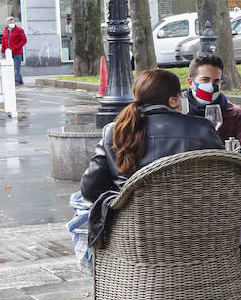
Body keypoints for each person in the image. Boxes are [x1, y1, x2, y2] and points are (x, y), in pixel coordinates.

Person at [78, 69, 224, 244]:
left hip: (133, 235)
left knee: (77, 203)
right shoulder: (202, 128)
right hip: (196, 230)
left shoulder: (115, 131)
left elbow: (90, 189)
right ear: (173, 100)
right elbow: (223, 178)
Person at [181, 53, 241, 143]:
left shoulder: (233, 113)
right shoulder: (177, 112)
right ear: (190, 82)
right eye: (205, 80)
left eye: (216, 81)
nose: (211, 86)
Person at [0, 15, 25, 85]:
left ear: (14, 22)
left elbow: (24, 40)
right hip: (8, 52)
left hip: (17, 52)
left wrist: (16, 47)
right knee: (12, 66)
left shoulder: (19, 30)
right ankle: (20, 80)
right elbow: (3, 41)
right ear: (7, 23)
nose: (11, 22)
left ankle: (16, 81)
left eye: (12, 21)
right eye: (9, 21)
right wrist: (2, 51)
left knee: (16, 67)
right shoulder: (5, 30)